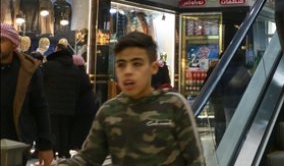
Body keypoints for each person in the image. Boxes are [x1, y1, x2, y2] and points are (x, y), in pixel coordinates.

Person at [59, 32, 204, 165]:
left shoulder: (174, 105)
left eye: (137, 64)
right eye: (121, 64)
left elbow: (195, 160)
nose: (128, 71)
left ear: (153, 67)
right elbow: (88, 158)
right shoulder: (109, 111)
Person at [0, 24, 54, 165]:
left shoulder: (28, 70)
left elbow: (40, 108)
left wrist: (45, 145)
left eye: (1, 40)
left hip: (16, 145)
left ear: (13, 44)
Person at [42, 42, 92, 158]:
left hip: (51, 106)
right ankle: (64, 155)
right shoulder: (75, 69)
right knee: (65, 132)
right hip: (69, 107)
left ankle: (53, 156)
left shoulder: (48, 66)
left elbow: (41, 85)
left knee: (52, 132)